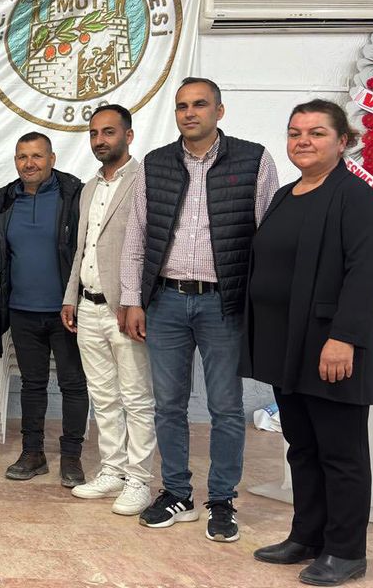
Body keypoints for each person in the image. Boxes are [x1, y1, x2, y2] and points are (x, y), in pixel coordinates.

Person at [121, 77, 279, 541]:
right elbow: (137, 237)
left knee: (225, 407)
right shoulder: (156, 163)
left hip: (223, 303)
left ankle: (222, 500)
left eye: (200, 104)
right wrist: (132, 299)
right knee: (168, 405)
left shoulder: (253, 160)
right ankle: (176, 494)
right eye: (182, 106)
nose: (189, 113)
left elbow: (268, 236)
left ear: (219, 111)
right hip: (166, 301)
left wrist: (259, 305)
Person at [244, 100, 373, 586]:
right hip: (288, 346)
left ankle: (345, 551)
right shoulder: (286, 195)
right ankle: (307, 535)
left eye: (317, 132)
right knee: (301, 446)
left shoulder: (355, 196)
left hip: (331, 346)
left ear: (342, 141)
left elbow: (364, 273)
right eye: (295, 132)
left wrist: (343, 338)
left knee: (340, 453)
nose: (303, 140)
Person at [61, 105, 155, 515]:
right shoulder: (88, 188)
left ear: (128, 136)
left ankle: (139, 480)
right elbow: (82, 249)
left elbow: (150, 249)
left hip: (124, 310)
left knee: (136, 397)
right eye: (94, 133)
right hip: (88, 306)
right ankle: (112, 470)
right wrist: (71, 296)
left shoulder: (145, 182)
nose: (100, 140)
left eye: (109, 132)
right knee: (102, 396)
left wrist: (136, 302)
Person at [0, 132, 87, 487]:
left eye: (37, 156)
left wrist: (76, 299)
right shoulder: (5, 200)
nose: (29, 163)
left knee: (73, 384)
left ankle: (72, 457)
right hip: (21, 310)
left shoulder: (73, 195)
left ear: (52, 159)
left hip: (66, 311)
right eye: (22, 156)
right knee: (32, 385)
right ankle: (33, 453)